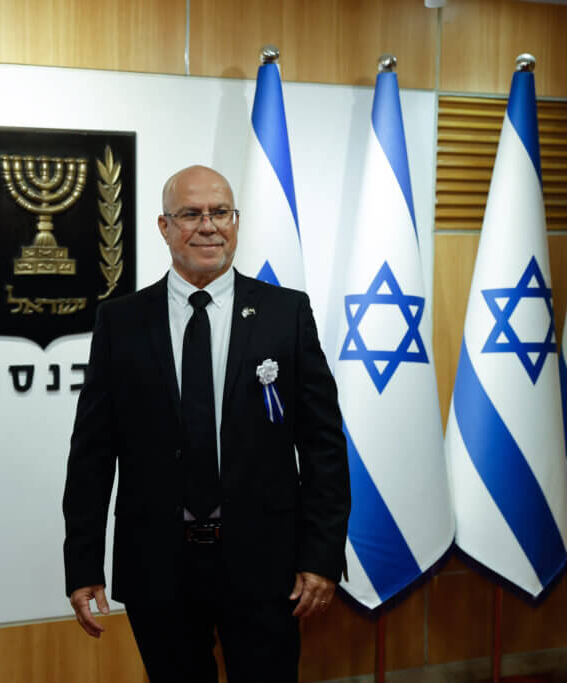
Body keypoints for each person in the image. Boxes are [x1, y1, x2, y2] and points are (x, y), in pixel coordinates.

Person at [63, 165, 350, 682]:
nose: (208, 226)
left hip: (266, 565)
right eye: (191, 214)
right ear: (164, 226)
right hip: (158, 564)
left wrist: (322, 555)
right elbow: (92, 453)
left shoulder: (286, 314)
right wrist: (82, 563)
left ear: (235, 221)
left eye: (220, 212)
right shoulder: (121, 321)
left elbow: (323, 446)